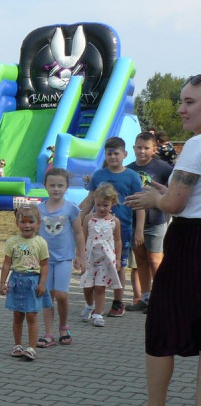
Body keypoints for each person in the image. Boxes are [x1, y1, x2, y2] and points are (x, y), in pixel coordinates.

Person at [115, 75, 201, 406]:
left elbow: (177, 204)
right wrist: (167, 192)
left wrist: (156, 199)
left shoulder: (197, 144)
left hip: (190, 242)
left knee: (161, 322)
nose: (181, 108)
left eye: (190, 102)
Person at [79, 136, 144, 318]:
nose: (113, 157)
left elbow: (139, 205)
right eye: (109, 153)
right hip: (96, 230)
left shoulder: (132, 176)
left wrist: (139, 229)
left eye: (116, 153)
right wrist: (80, 220)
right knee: (93, 264)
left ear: (124, 154)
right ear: (105, 155)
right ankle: (92, 303)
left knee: (118, 266)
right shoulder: (99, 175)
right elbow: (89, 200)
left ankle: (117, 302)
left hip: (121, 229)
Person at [125, 131, 173, 312]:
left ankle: (161, 297)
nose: (142, 151)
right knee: (141, 259)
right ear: (133, 148)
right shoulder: (128, 169)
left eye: (146, 148)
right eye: (139, 147)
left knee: (155, 260)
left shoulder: (163, 168)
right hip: (133, 222)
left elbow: (172, 190)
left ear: (154, 149)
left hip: (156, 221)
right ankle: (145, 298)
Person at [38, 168, 85, 347]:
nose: (56, 189)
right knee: (47, 295)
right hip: (44, 260)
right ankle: (49, 332)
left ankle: (63, 326)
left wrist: (81, 256)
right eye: (52, 185)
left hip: (64, 258)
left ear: (66, 187)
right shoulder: (39, 209)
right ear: (45, 186)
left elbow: (79, 233)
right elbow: (33, 233)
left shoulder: (71, 208)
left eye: (60, 185)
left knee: (61, 294)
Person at [0, 204, 51, 359]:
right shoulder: (12, 242)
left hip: (32, 282)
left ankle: (31, 347)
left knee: (32, 316)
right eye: (23, 222)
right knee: (18, 316)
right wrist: (3, 283)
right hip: (16, 281)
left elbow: (44, 265)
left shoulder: (41, 242)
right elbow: (7, 263)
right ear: (17, 223)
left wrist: (42, 283)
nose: (27, 225)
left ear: (38, 223)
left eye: (31, 222)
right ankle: (18, 345)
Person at [80, 183, 121, 328]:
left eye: (106, 205)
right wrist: (78, 257)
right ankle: (89, 305)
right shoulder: (88, 219)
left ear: (112, 204)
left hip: (105, 259)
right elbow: (82, 237)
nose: (102, 208)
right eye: (99, 205)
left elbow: (117, 240)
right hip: (89, 258)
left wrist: (118, 258)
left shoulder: (114, 221)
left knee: (99, 287)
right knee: (87, 286)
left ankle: (98, 314)